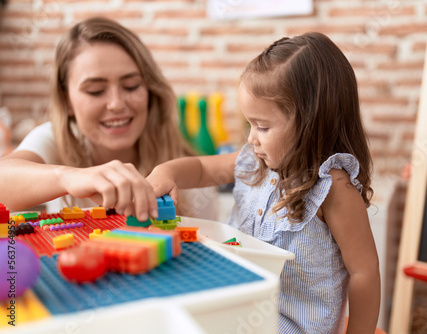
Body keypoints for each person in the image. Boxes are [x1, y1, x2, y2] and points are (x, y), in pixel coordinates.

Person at [146, 32, 380, 333]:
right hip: (237, 314)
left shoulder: (333, 188)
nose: (251, 138)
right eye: (249, 124)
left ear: (311, 123)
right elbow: (203, 168)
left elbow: (365, 273)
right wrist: (166, 172)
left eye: (263, 126)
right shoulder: (254, 162)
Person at [0, 17, 217, 221]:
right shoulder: (52, 139)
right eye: (95, 91)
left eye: (132, 86)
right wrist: (68, 177)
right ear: (67, 101)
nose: (116, 104)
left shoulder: (188, 173)